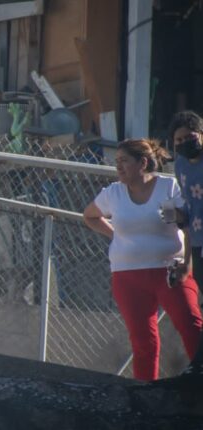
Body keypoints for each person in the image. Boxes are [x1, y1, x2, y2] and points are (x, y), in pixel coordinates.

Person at [83, 138, 202, 381]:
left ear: (143, 163)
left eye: (124, 161)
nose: (118, 166)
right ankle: (146, 393)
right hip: (127, 276)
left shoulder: (168, 187)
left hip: (169, 270)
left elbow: (187, 224)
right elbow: (90, 216)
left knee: (192, 326)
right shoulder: (113, 192)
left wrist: (187, 263)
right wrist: (115, 234)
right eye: (117, 161)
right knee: (143, 341)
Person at [169, 110, 203, 377]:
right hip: (198, 241)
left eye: (188, 137)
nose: (182, 144)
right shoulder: (180, 166)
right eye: (177, 141)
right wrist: (187, 261)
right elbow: (190, 214)